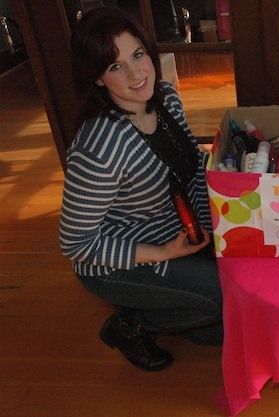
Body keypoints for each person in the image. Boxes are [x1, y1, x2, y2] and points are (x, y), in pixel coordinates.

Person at [59, 6, 222, 372]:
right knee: (220, 297)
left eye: (138, 55)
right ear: (98, 78)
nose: (136, 74)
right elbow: (76, 244)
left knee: (222, 328)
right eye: (115, 66)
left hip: (177, 234)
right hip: (116, 260)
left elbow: (192, 170)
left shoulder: (166, 98)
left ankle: (167, 305)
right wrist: (164, 252)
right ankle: (130, 325)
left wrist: (213, 229)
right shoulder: (99, 147)